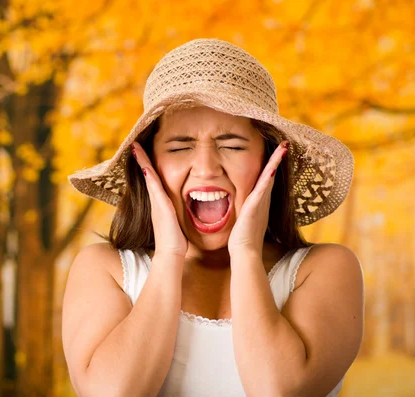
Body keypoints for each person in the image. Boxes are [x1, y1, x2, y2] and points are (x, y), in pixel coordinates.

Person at [62, 38, 364, 397]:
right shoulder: (105, 269)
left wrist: (246, 252)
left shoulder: (326, 268)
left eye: (232, 145)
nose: (206, 169)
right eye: (179, 147)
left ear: (271, 163)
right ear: (149, 165)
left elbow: (278, 390)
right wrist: (169, 257)